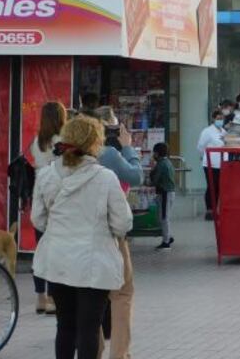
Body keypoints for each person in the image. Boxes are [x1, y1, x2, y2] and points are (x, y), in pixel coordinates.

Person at [31, 115, 133, 359]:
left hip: (57, 262)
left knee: (65, 326)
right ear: (95, 143)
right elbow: (123, 223)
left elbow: (38, 219)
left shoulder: (46, 175)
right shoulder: (105, 178)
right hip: (94, 265)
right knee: (89, 328)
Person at [94, 106, 142, 359]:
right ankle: (119, 354)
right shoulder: (110, 154)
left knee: (93, 295)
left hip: (83, 234)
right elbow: (136, 176)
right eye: (114, 128)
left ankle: (95, 350)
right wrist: (128, 148)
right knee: (122, 293)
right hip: (112, 232)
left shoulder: (73, 155)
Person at [29, 101, 67, 315]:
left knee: (40, 249)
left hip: (39, 195)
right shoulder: (62, 141)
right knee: (56, 250)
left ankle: (40, 298)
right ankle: (53, 298)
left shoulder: (37, 142)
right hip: (58, 197)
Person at [197, 109, 227, 220]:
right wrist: (203, 155)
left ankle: (216, 208)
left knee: (219, 187)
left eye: (222, 119)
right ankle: (209, 210)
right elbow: (200, 146)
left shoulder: (224, 132)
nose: (220, 121)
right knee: (211, 186)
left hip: (222, 163)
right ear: (213, 119)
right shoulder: (207, 131)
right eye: (218, 118)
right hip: (210, 163)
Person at [149, 142, 176, 251]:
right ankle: (168, 236)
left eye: (154, 152)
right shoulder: (167, 162)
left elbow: (155, 180)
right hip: (168, 192)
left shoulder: (161, 164)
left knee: (164, 217)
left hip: (165, 193)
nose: (153, 154)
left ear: (157, 153)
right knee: (163, 217)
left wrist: (151, 174)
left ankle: (166, 242)